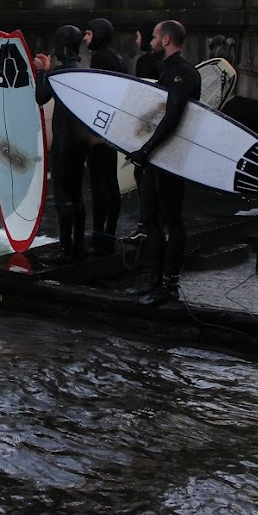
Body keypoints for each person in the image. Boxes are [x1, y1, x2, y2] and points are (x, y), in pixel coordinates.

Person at [123, 18, 201, 306]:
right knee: (151, 219)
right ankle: (153, 281)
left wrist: (147, 148)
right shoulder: (165, 70)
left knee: (172, 220)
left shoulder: (183, 72)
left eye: (154, 37)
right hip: (155, 156)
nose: (151, 41)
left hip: (172, 156)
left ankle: (170, 285)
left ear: (166, 40)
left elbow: (174, 115)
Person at [33, 23, 91, 259]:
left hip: (64, 141)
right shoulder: (84, 71)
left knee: (62, 197)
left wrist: (41, 71)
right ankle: (78, 245)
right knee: (77, 195)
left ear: (62, 46)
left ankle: (65, 249)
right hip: (81, 139)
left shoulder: (59, 74)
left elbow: (40, 97)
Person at [82, 15, 125, 253]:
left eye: (88, 34)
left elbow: (96, 93)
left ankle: (99, 234)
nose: (85, 38)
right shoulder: (118, 56)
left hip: (101, 128)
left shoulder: (99, 57)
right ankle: (110, 231)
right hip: (115, 128)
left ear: (97, 34)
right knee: (111, 181)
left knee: (99, 183)